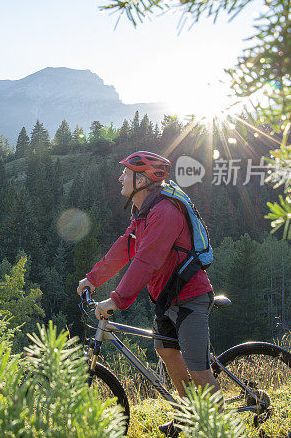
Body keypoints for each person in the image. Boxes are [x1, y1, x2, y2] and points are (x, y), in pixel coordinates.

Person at [76, 151, 221, 437]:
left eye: (125, 173)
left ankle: (224, 429)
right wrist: (92, 279)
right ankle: (189, 416)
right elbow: (124, 249)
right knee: (166, 352)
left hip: (190, 298)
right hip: (167, 299)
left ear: (141, 180)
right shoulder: (143, 215)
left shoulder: (165, 213)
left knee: (200, 372)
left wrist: (115, 299)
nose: (120, 177)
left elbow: (146, 261)